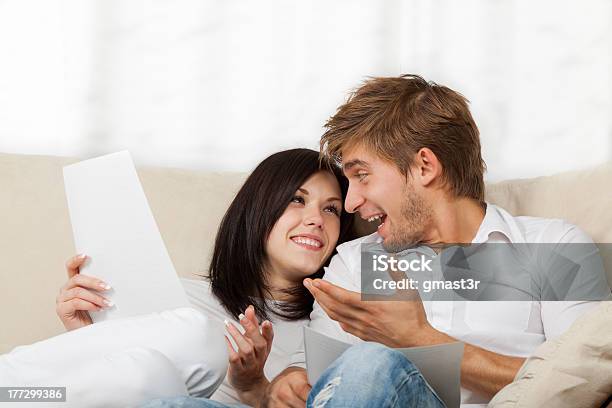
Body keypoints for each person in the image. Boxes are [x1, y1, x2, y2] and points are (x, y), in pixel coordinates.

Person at [263, 75, 611, 407]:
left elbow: (582, 385)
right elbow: (320, 377)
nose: (350, 203)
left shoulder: (552, 247)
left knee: (371, 362)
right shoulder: (354, 260)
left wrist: (419, 338)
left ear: (425, 167)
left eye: (362, 176)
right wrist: (289, 382)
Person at [54, 148, 354, 406]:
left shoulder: (336, 323)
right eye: (297, 200)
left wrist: (257, 388)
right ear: (258, 209)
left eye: (332, 209)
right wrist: (88, 337)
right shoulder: (177, 300)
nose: (317, 219)